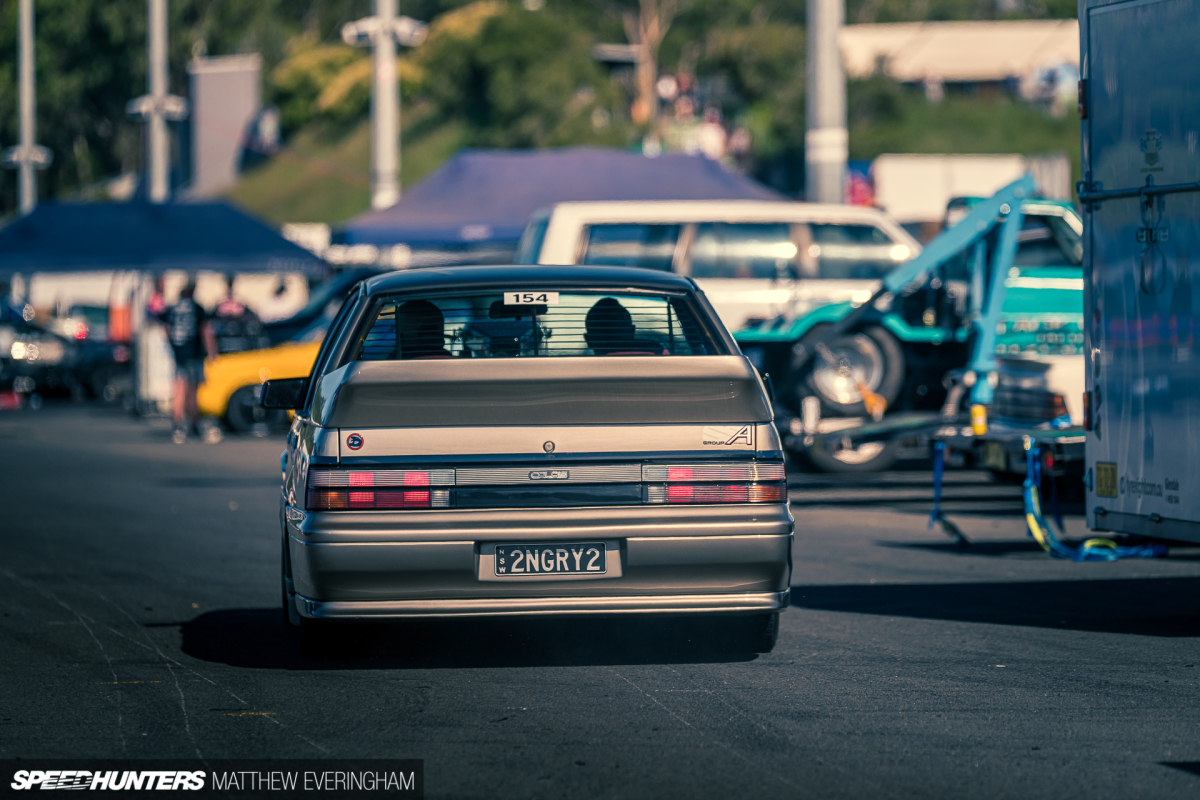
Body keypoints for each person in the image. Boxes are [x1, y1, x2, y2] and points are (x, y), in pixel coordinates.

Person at [166, 281, 218, 443]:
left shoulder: (173, 308)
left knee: (179, 386)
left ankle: (178, 423)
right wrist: (212, 352)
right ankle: (193, 423)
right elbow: (206, 330)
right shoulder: (197, 308)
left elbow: (166, 329)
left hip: (180, 352)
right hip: (194, 353)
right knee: (192, 390)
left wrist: (174, 346)